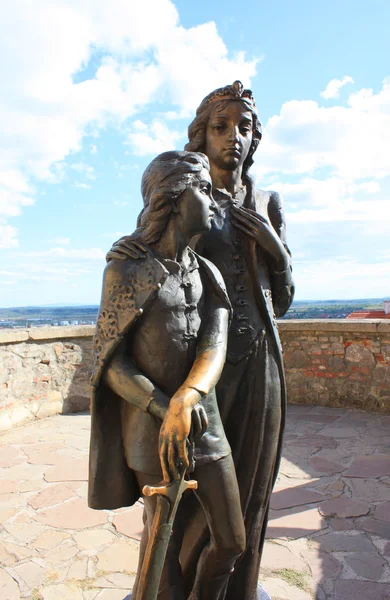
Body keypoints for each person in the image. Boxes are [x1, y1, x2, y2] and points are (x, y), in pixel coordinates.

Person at [108, 81, 295, 600]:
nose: (233, 137)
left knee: (250, 486)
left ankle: (238, 591)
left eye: (244, 127)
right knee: (184, 493)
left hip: (259, 360)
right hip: (196, 369)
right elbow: (152, 265)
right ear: (202, 135)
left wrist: (274, 249)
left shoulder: (265, 201)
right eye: (221, 126)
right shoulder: (186, 191)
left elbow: (282, 300)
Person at [89, 150, 245, 600]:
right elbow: (111, 363)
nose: (213, 198)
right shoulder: (126, 270)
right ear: (174, 198)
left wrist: (187, 398)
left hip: (205, 426)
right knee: (162, 550)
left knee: (232, 542)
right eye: (202, 189)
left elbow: (215, 344)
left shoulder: (207, 273)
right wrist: (164, 406)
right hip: (150, 430)